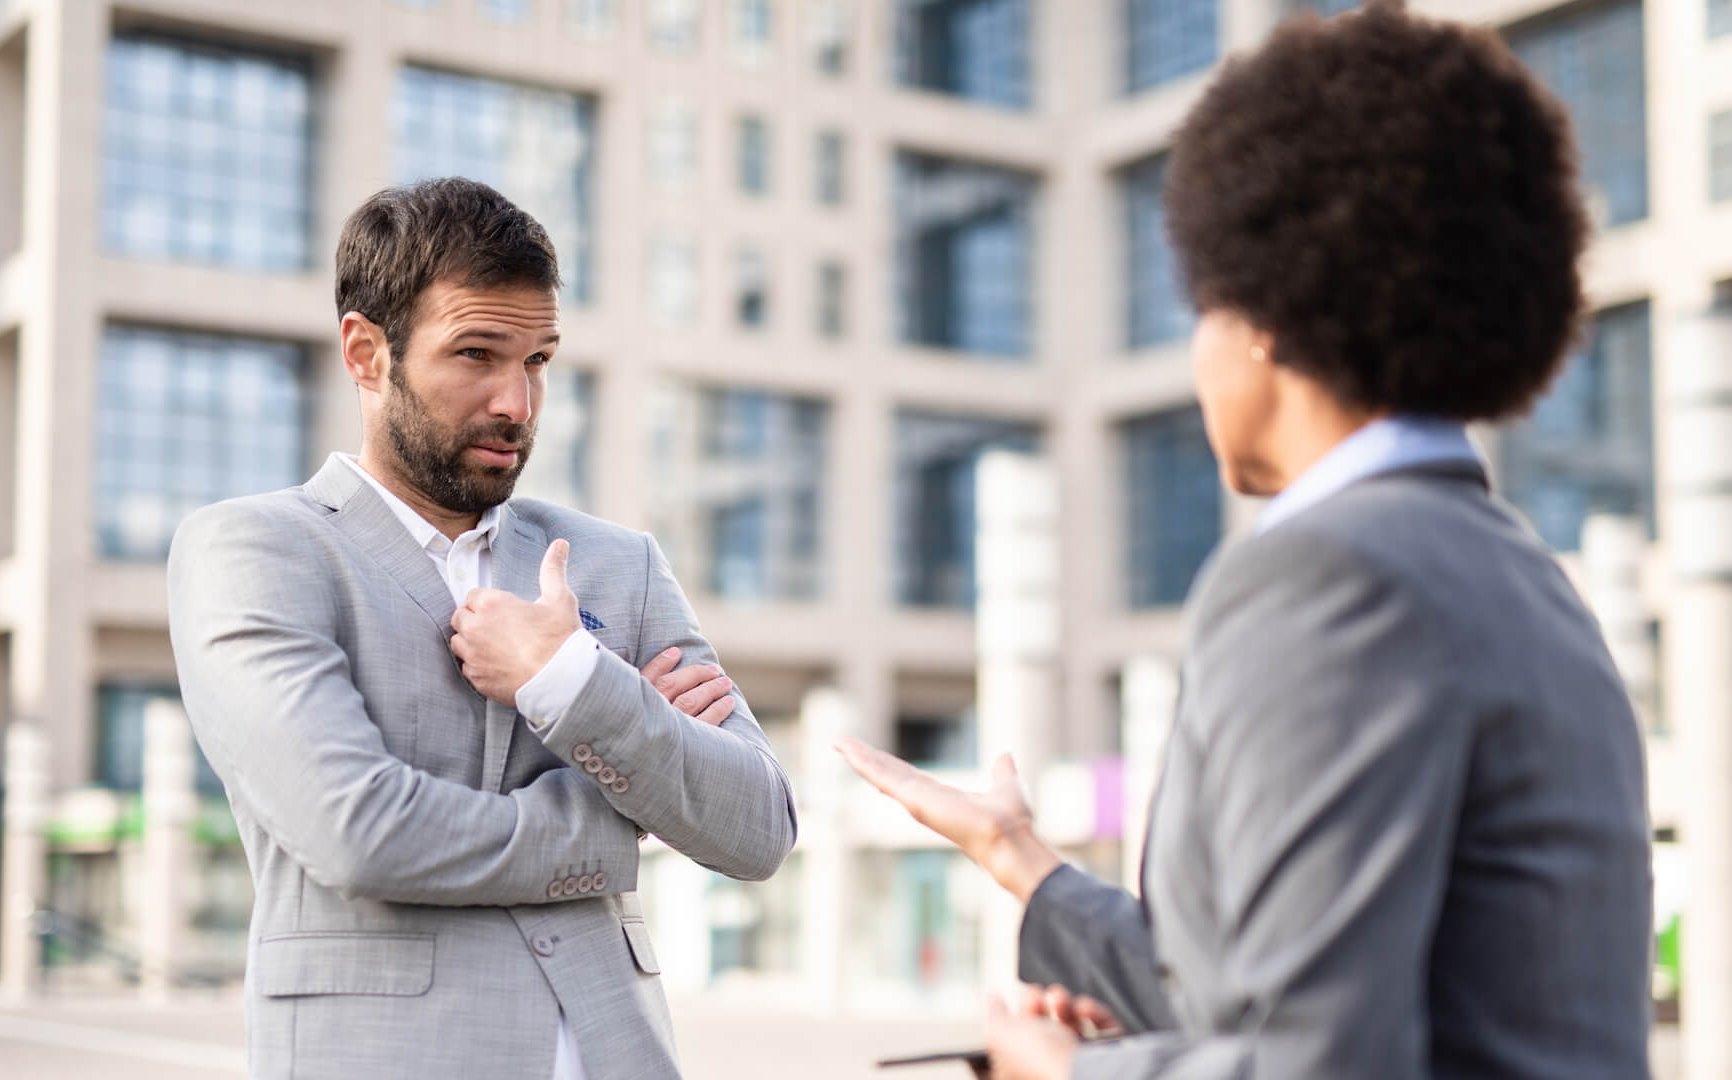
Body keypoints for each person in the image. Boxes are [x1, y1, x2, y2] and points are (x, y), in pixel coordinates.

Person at [836, 4, 1652, 1077]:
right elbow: (1282, 978)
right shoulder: (1523, 579)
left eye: (1200, 307)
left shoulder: (1329, 576)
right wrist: (1021, 858)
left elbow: (1313, 1058)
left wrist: (1065, 1072)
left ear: (1261, 313)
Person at [167, 177, 797, 1079]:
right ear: (365, 352)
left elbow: (758, 828)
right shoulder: (256, 552)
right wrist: (622, 812)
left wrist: (578, 684)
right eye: (476, 354)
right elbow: (360, 829)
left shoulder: (620, 564)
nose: (518, 403)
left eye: (538, 360)